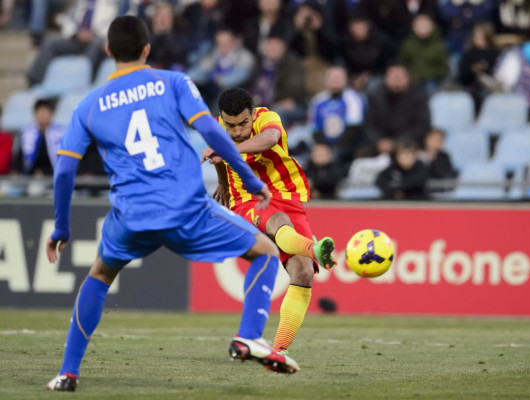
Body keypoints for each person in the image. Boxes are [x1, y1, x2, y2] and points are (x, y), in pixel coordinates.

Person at [45, 16, 300, 392]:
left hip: (129, 214)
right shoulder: (173, 82)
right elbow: (211, 130)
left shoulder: (88, 105)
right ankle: (249, 336)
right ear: (148, 48)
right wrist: (249, 179)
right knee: (264, 251)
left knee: (99, 276)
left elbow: (65, 172)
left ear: (108, 50)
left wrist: (61, 228)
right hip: (185, 207)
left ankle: (67, 373)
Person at [201, 87, 336, 354]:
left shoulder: (267, 119)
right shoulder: (214, 128)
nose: (237, 130)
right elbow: (217, 155)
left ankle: (279, 351)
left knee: (304, 272)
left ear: (253, 114)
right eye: (230, 126)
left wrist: (228, 149)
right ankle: (313, 248)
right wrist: (222, 182)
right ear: (221, 119)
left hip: (285, 193)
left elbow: (270, 139)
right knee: (278, 220)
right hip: (247, 199)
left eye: (243, 123)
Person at [364, 63, 431, 155]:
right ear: (386, 78)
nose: (397, 80)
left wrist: (396, 142)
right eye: (393, 77)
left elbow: (422, 126)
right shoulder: (376, 96)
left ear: (408, 78)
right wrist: (378, 141)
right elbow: (369, 125)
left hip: (408, 143)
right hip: (379, 145)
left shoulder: (419, 97)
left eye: (400, 77)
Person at [12, 99, 65, 176]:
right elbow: (20, 159)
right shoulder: (27, 133)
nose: (43, 116)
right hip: (30, 176)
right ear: (35, 115)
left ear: (52, 114)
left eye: (45, 112)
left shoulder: (61, 133)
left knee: (35, 188)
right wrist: (16, 171)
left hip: (52, 175)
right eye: (40, 112)